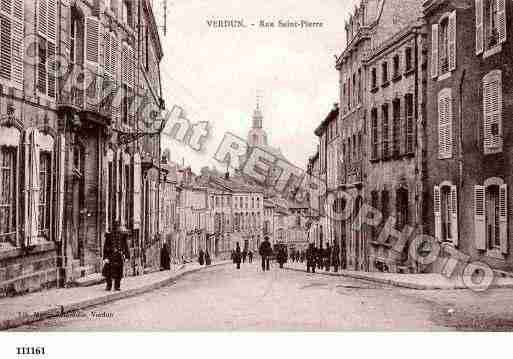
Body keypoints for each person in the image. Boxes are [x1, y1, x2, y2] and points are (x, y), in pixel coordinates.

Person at [103, 221, 130, 291]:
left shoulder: (122, 236)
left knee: (119, 272)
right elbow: (105, 247)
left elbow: (125, 246)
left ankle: (117, 286)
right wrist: (105, 257)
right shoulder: (109, 236)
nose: (116, 228)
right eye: (115, 227)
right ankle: (108, 286)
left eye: (118, 227)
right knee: (108, 272)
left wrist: (127, 256)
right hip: (111, 256)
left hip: (119, 256)